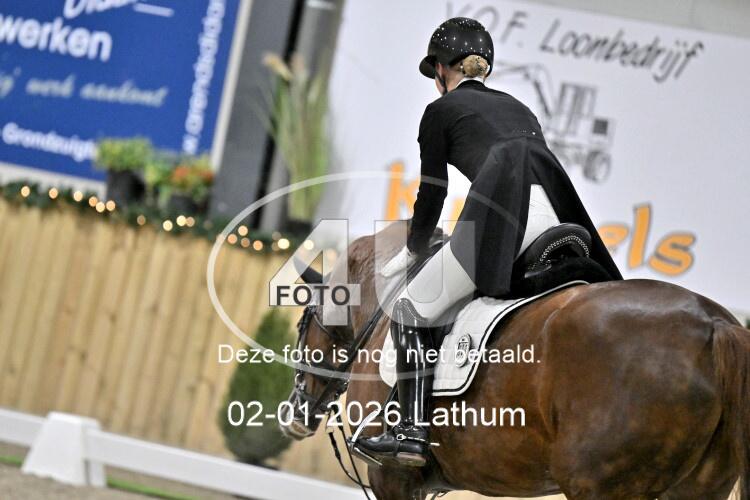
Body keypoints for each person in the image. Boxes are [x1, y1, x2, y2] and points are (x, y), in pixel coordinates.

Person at [352, 17, 622, 467]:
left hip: (503, 225)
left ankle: (411, 432)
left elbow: (433, 193)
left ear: (442, 70)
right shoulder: (520, 107)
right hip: (558, 220)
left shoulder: (439, 111)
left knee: (409, 309)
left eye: (436, 71)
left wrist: (415, 247)